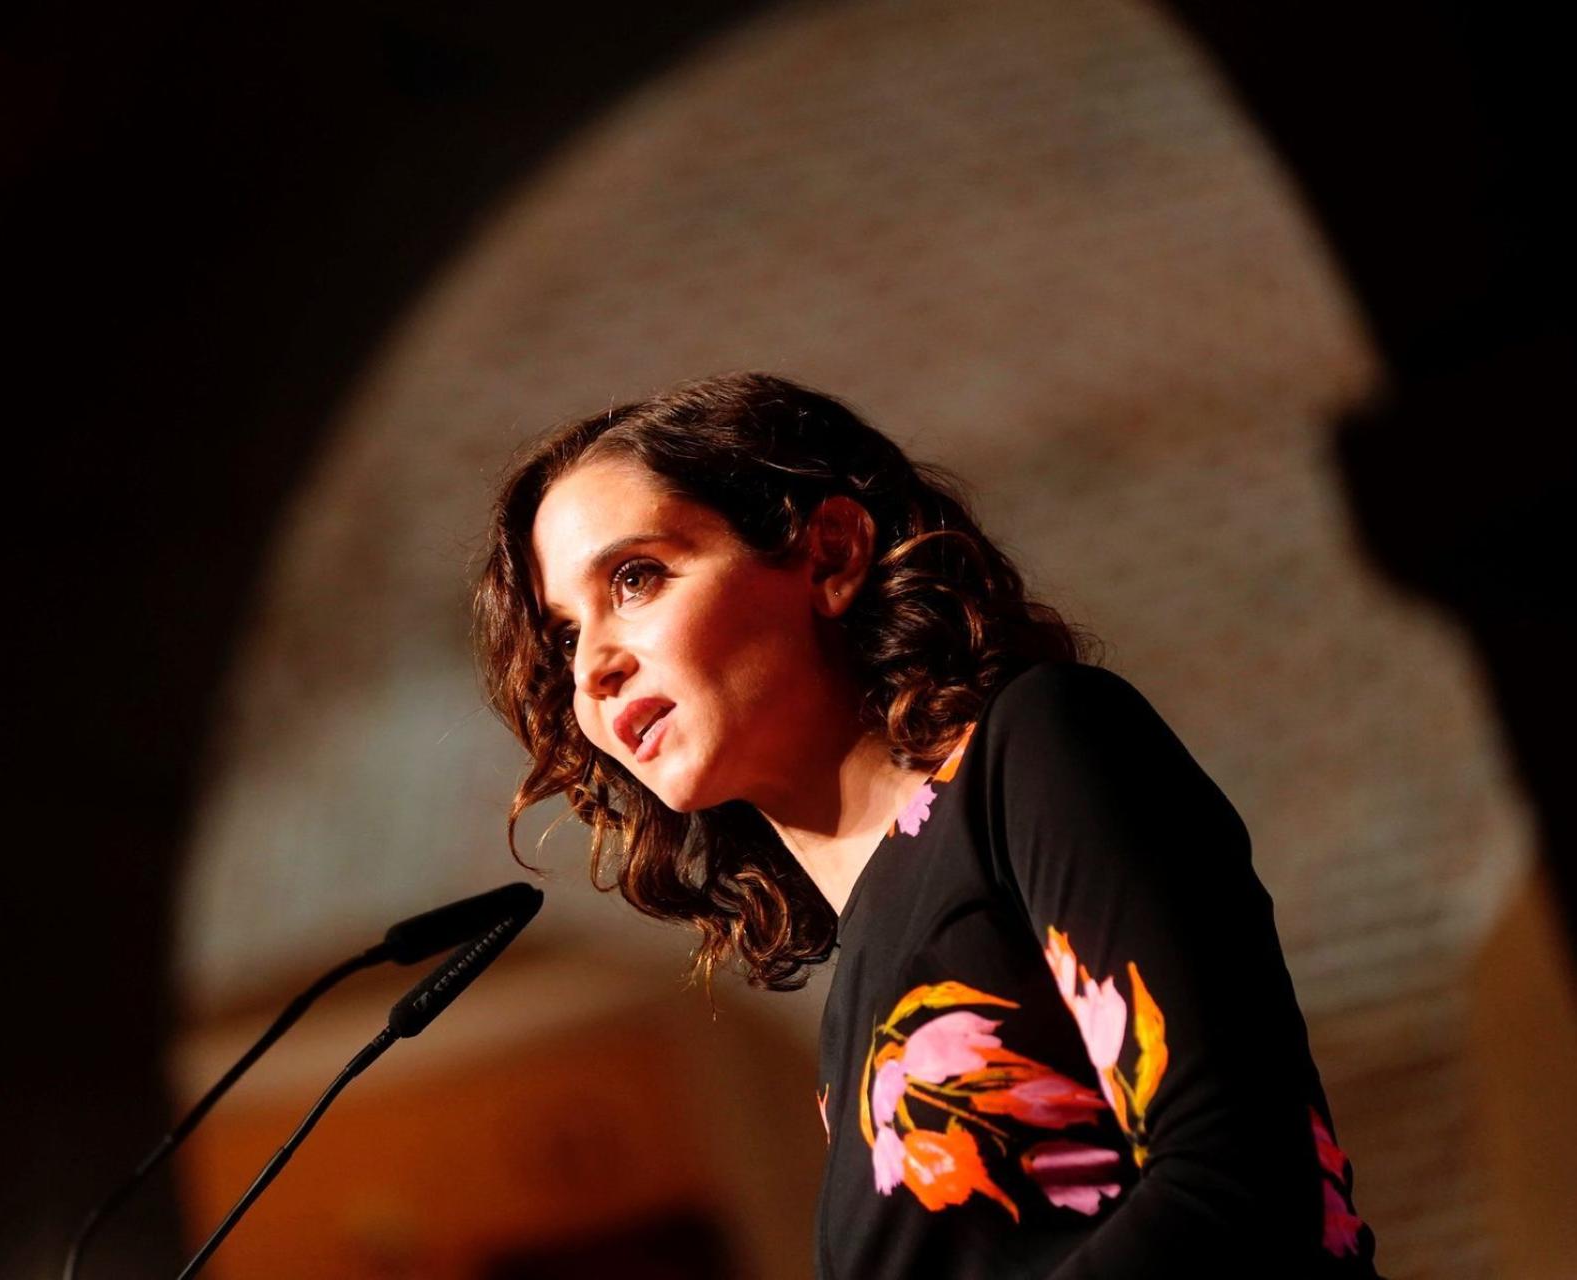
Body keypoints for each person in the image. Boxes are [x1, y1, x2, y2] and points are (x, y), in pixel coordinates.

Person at [472, 372, 1379, 1278]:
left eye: (637, 578)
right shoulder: (860, 980)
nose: (594, 664)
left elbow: (1237, 1183)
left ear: (829, 554)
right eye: (561, 635)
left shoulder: (1037, 748)